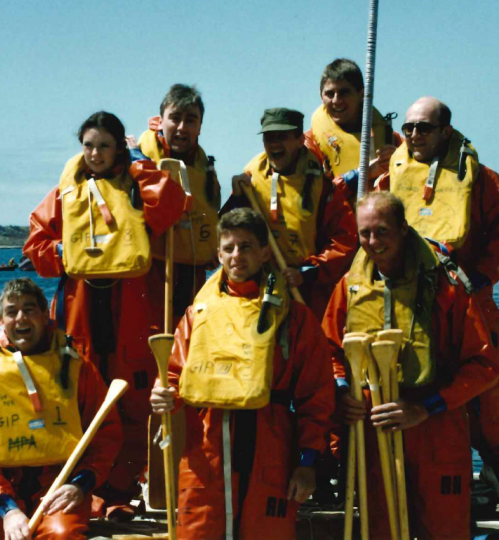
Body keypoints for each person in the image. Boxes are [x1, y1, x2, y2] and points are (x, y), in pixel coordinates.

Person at [24, 111, 188, 519]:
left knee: (132, 401)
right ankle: (82, 492)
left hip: (130, 303)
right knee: (82, 397)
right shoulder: (67, 190)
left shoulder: (134, 183)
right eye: (88, 146)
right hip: (79, 304)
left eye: (104, 146)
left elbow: (170, 204)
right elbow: (36, 243)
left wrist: (137, 161)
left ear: (118, 147)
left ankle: (120, 490)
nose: (95, 154)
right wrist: (63, 252)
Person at [322, 192, 499, 540]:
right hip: (375, 426)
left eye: (382, 231)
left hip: (436, 424)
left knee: (444, 530)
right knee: (382, 530)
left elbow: (483, 366)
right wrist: (343, 393)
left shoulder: (446, 285)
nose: (373, 242)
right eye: (364, 233)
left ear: (404, 229)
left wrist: (424, 408)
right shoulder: (350, 286)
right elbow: (329, 351)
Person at [151, 208, 334, 540]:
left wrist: (308, 463)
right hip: (206, 451)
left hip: (272, 449)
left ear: (264, 252)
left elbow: (316, 398)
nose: (237, 255)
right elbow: (174, 378)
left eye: (247, 246)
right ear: (218, 253)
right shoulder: (195, 315)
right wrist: (163, 395)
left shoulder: (295, 318)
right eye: (230, 247)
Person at [376, 96, 499, 504]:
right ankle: (416, 467)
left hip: (468, 294)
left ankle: (496, 463)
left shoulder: (484, 181)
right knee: (421, 376)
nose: (415, 135)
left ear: (445, 130)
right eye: (409, 128)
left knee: (487, 378)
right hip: (411, 298)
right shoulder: (390, 177)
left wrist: (480, 276)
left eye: (424, 127)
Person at [0, 278, 122, 539]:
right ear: (1, 321)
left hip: (60, 483)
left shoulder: (77, 367)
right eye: (12, 312)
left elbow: (105, 434)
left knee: (61, 533)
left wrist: (80, 486)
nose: (21, 318)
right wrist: (7, 508)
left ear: (45, 315)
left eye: (29, 309)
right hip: (1, 487)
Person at [224, 107, 358, 322]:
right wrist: (237, 199)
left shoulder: (321, 187)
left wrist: (308, 271)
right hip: (259, 288)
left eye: (282, 137)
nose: (275, 144)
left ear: (299, 140)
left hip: (304, 289)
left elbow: (345, 239)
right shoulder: (250, 180)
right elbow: (227, 233)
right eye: (269, 138)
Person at [138, 84, 221, 325]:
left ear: (200, 127)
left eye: (191, 120)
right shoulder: (138, 156)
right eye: (175, 118)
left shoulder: (203, 164)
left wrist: (211, 247)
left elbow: (209, 210)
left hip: (191, 269)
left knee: (189, 336)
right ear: (161, 120)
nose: (182, 127)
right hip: (150, 269)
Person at [305, 58, 402, 203]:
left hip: (378, 220)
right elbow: (314, 197)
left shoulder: (392, 140)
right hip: (338, 223)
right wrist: (361, 174)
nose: (336, 100)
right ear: (321, 96)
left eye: (344, 93)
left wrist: (399, 163)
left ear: (362, 94)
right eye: (330, 94)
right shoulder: (309, 144)